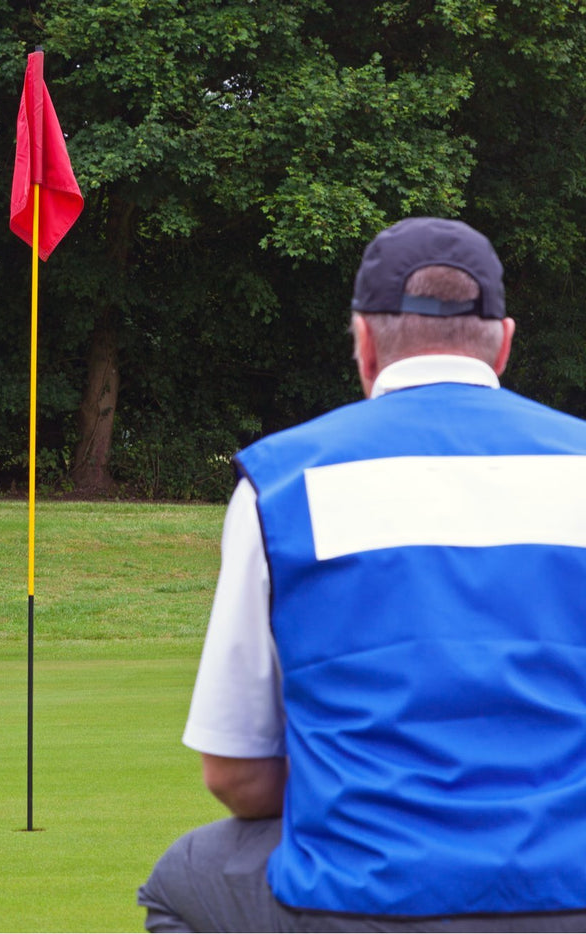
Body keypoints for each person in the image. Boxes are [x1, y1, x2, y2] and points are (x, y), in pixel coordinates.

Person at [138, 217, 586, 932]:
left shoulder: (281, 483)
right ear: (503, 343)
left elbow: (237, 774)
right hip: (571, 896)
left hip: (364, 900)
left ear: (365, 342)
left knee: (178, 885)